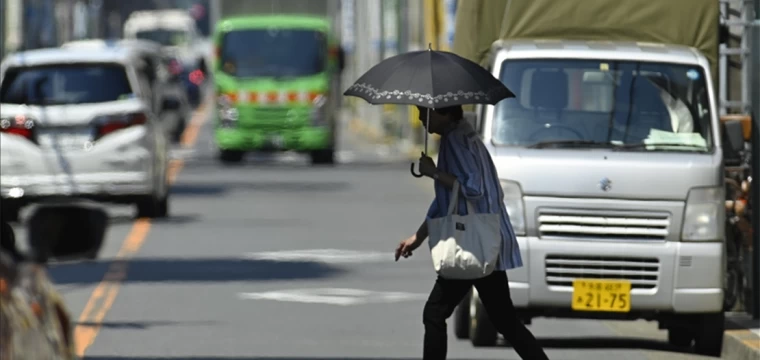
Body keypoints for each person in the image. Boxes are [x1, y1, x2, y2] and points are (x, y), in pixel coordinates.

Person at [395, 105, 549, 360]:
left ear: (443, 112)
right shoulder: (466, 136)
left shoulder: (455, 140)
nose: (421, 119)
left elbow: (473, 189)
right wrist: (418, 237)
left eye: (425, 113)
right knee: (504, 320)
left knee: (434, 313)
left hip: (471, 243)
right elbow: (448, 200)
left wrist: (433, 172)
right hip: (486, 241)